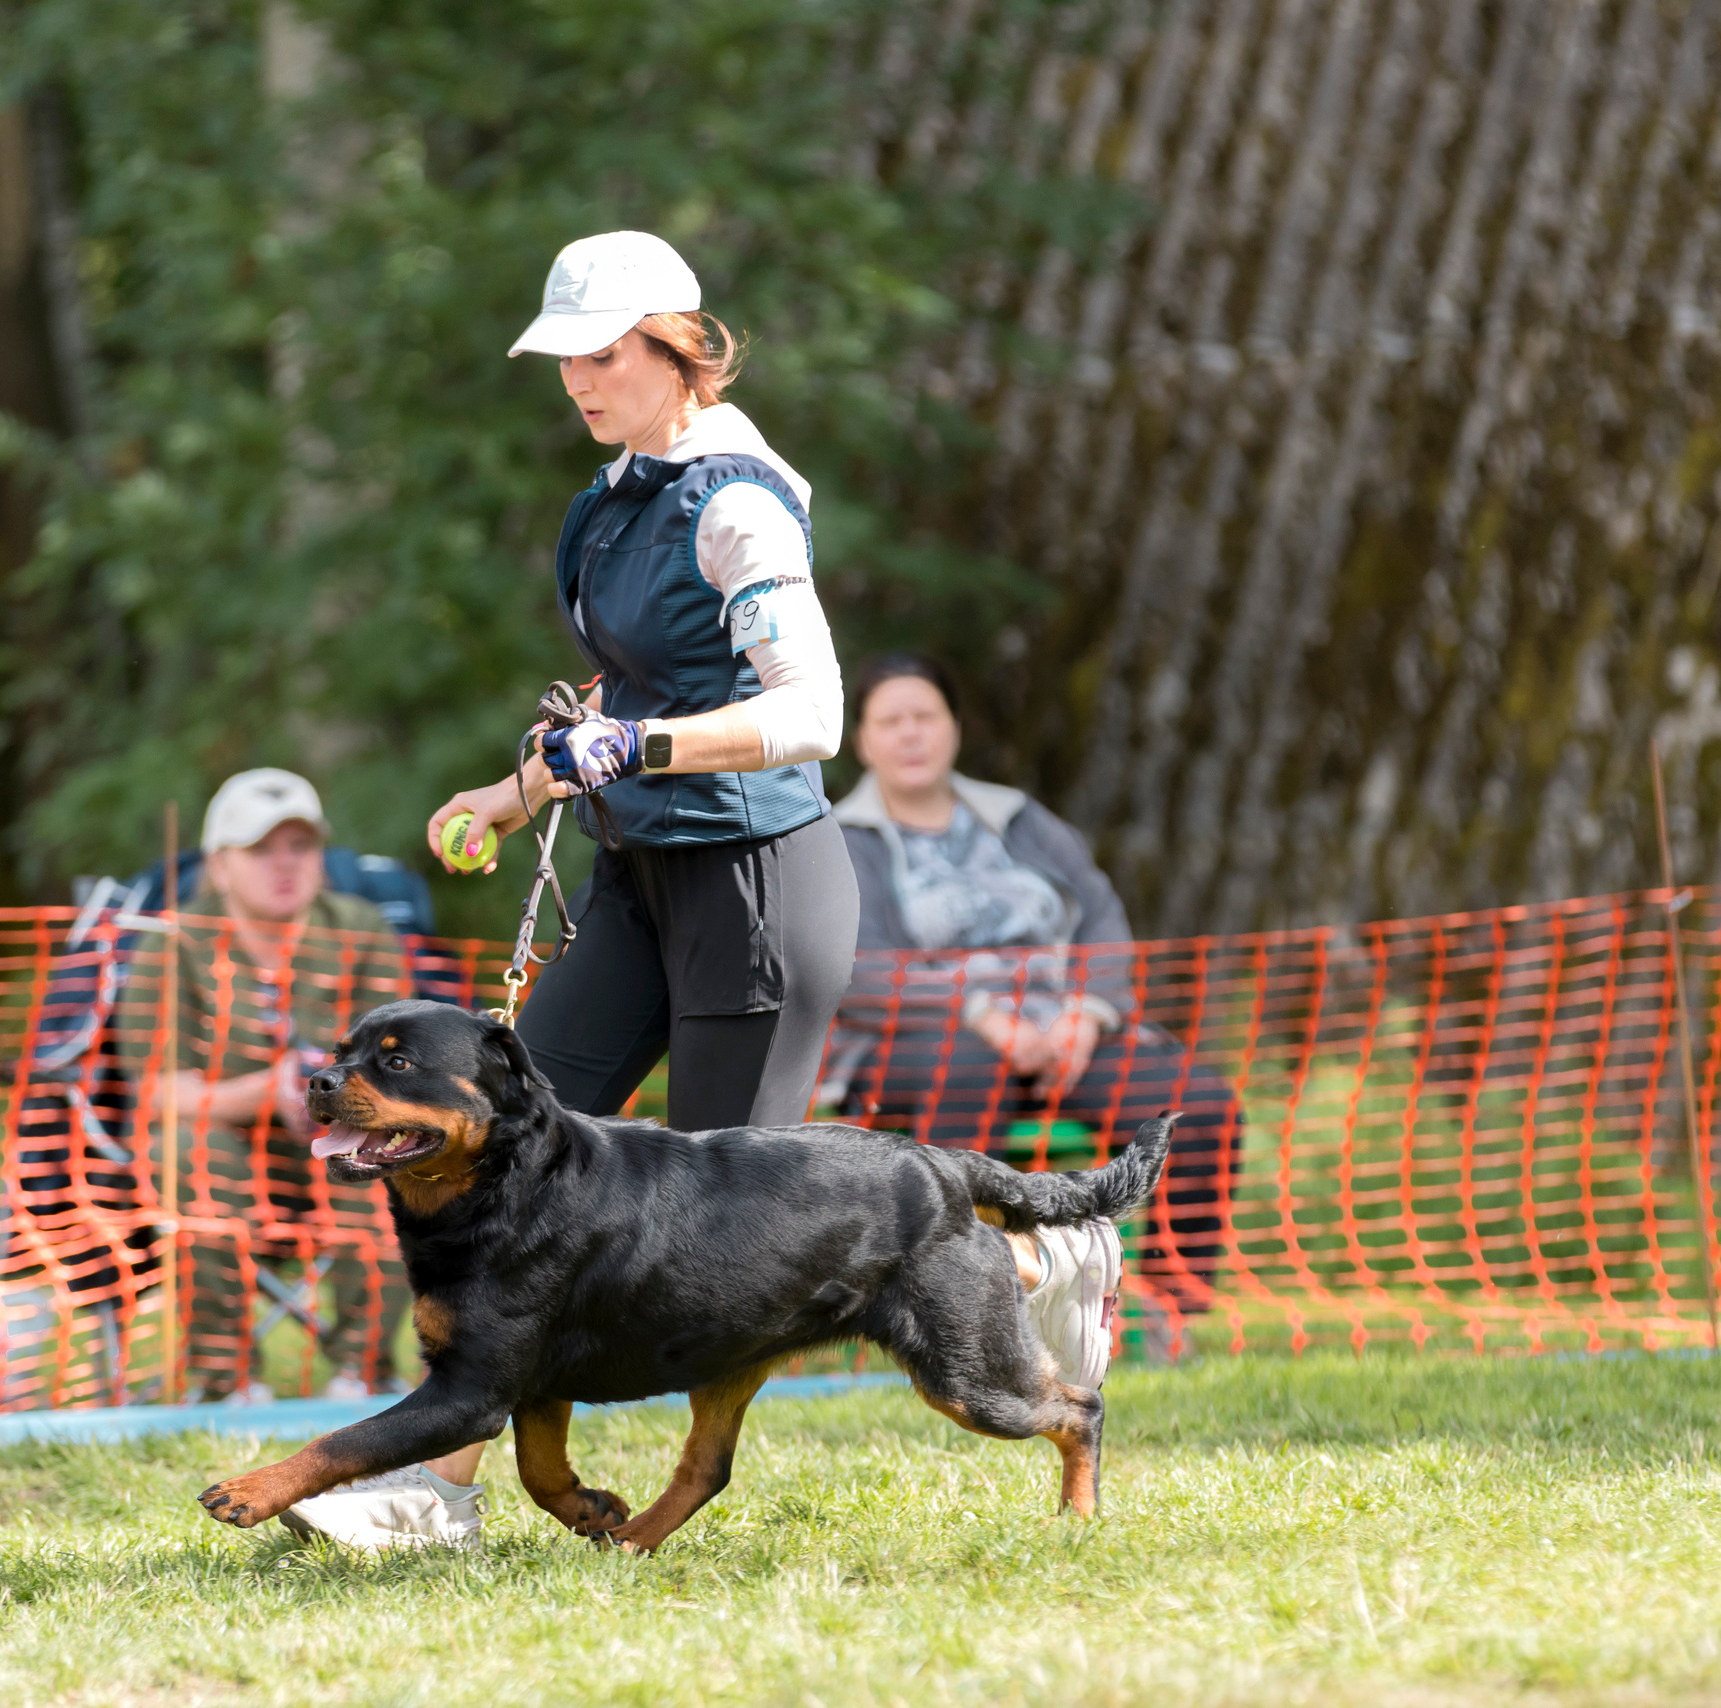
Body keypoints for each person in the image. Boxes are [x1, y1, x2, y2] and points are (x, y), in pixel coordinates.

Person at [288, 228, 864, 1552]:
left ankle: (1029, 1268)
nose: (581, 383)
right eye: (566, 361)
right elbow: (634, 688)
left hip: (759, 894)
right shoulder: (613, 495)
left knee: (736, 1239)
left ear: (679, 348)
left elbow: (814, 712)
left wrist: (642, 747)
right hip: (638, 883)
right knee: (486, 1151)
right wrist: (520, 788)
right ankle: (440, 1487)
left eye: (605, 357)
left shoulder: (739, 505)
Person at [831, 653, 1243, 1310]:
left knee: (1197, 1109)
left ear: (955, 727)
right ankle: (955, 1312)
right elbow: (855, 970)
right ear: (862, 740)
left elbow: (1102, 916)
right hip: (926, 1043)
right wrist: (983, 1016)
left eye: (925, 717)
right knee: (969, 1066)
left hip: (1060, 1034)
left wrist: (1087, 1013)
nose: (911, 734)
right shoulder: (842, 840)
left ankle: (1176, 1313)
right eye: (891, 721)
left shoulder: (1022, 820)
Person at [151, 769, 413, 1407]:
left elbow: (402, 1067)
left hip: (344, 1139)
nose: (284, 864)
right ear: (219, 865)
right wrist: (267, 1092)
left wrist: (334, 1105)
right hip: (225, 1152)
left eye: (300, 846)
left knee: (397, 1153)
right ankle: (227, 1382)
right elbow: (162, 1094)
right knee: (189, 1145)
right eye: (261, 849)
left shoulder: (363, 928)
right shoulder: (174, 942)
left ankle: (367, 1373)